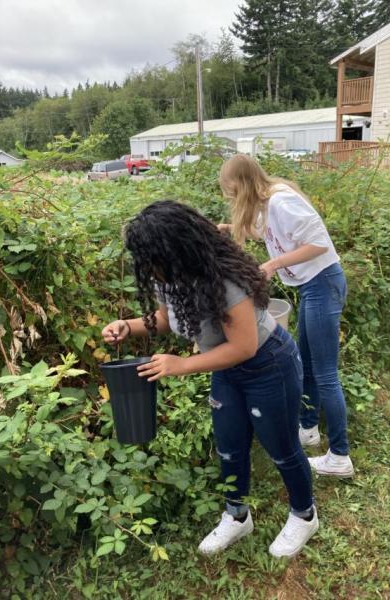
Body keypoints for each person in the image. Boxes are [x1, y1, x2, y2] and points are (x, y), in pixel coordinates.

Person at [102, 200, 318, 558]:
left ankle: (304, 514)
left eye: (153, 259)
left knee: (282, 448)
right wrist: (129, 327)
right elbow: (167, 319)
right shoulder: (167, 276)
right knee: (229, 447)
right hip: (226, 371)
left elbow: (244, 346)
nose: (150, 269)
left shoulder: (225, 279)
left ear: (177, 251)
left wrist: (181, 364)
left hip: (268, 365)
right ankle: (237, 516)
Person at [219, 154, 354, 478]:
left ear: (242, 183)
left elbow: (318, 243)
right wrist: (229, 229)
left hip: (323, 283)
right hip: (312, 287)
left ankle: (339, 456)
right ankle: (308, 428)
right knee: (308, 363)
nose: (231, 198)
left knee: (325, 374)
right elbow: (274, 237)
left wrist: (273, 265)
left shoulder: (281, 201)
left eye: (231, 191)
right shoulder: (267, 206)